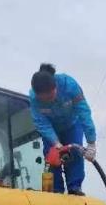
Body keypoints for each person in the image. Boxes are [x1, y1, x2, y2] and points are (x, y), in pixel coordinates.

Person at [29, 63, 97, 195]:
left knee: (75, 153)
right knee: (52, 156)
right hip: (51, 130)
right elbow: (41, 123)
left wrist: (91, 143)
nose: (49, 100)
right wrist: (56, 143)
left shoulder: (69, 85)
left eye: (51, 96)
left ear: (55, 86)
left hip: (72, 124)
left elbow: (84, 113)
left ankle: (74, 187)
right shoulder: (33, 98)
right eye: (45, 99)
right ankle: (56, 190)